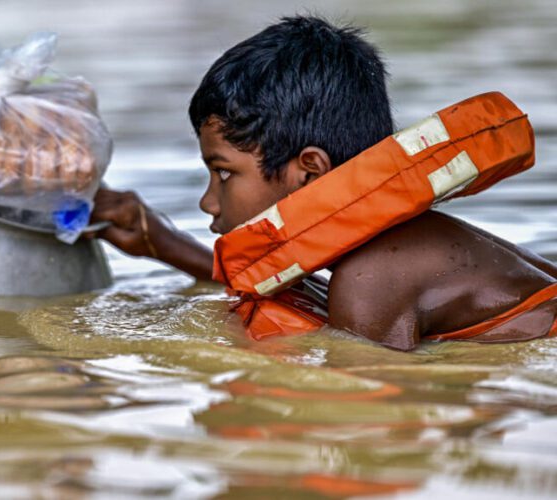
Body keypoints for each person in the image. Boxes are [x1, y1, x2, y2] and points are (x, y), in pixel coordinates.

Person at [87, 16, 557, 351]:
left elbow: (355, 410)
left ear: (309, 170)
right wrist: (162, 245)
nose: (209, 201)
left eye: (224, 172)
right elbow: (290, 289)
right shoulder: (388, 250)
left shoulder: (372, 276)